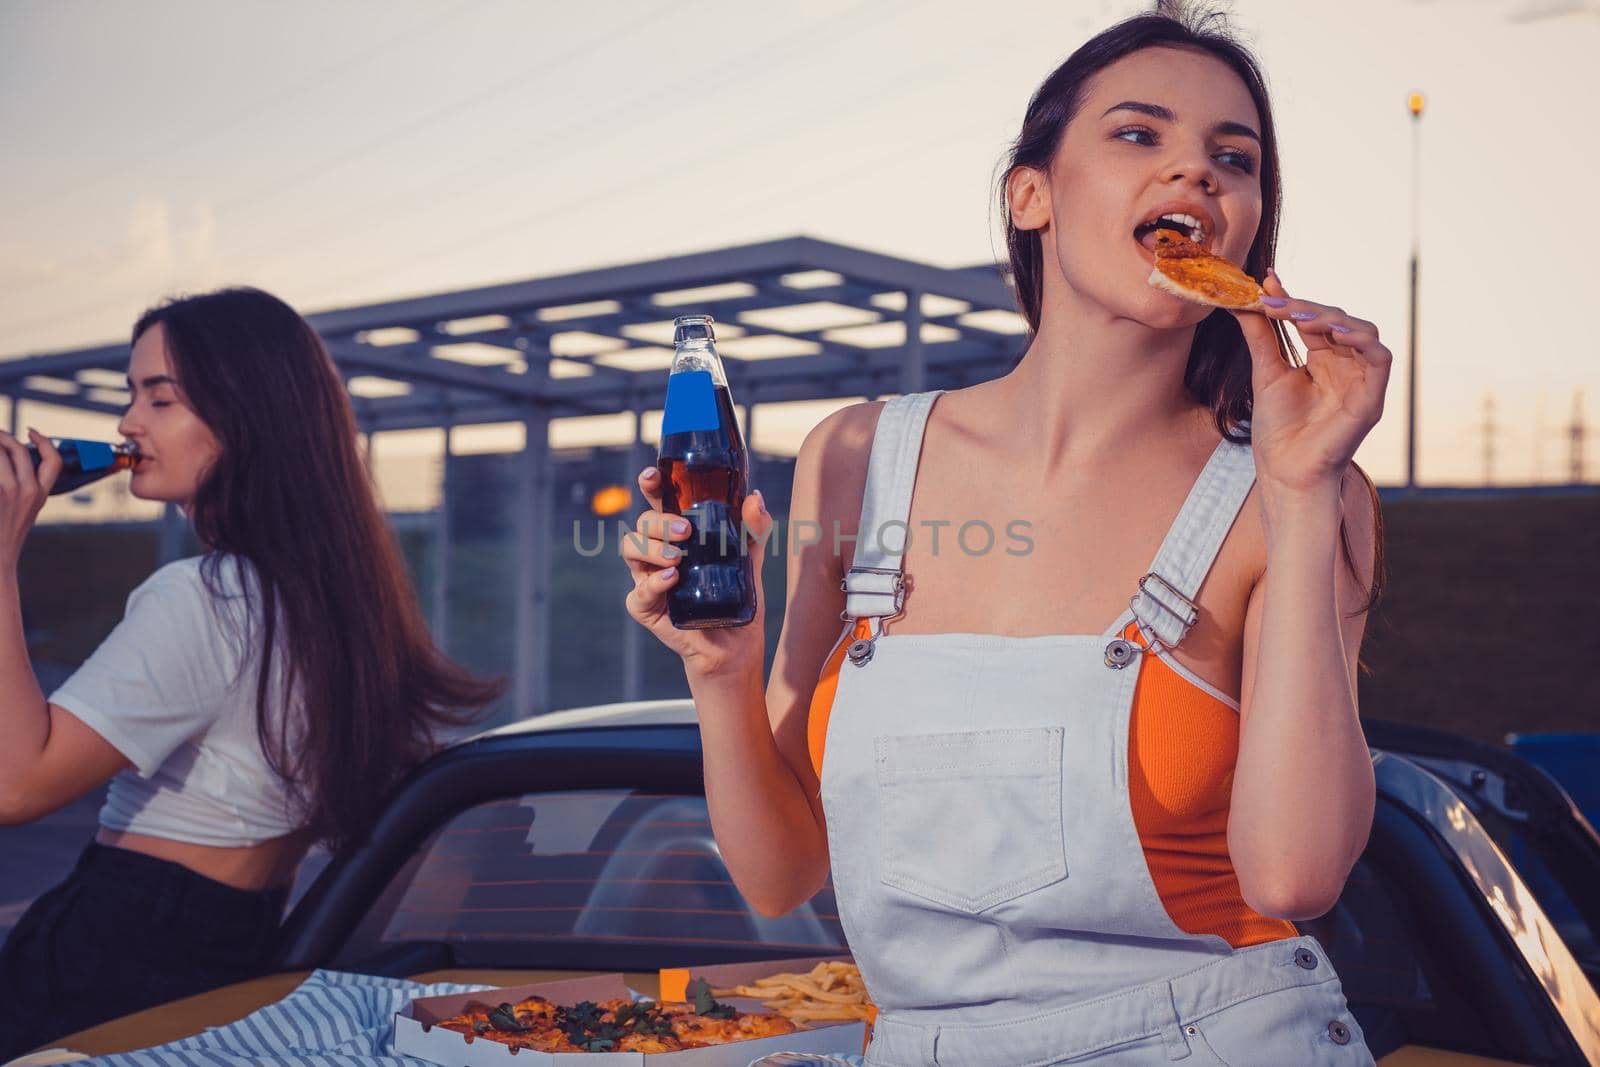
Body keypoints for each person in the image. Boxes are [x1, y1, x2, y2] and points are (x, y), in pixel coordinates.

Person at [623, 4, 1388, 1064]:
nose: (1198, 174)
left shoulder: (1292, 489)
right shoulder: (855, 457)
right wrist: (721, 666)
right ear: (1029, 194)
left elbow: (1294, 876)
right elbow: (779, 873)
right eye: (1139, 134)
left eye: (1233, 157)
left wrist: (1301, 490)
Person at [0, 287, 500, 1057]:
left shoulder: (203, 597)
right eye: (131, 395)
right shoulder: (339, 604)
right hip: (231, 962)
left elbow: (16, 783)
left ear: (244, 416)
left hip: (106, 961)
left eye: (160, 399)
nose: (128, 424)